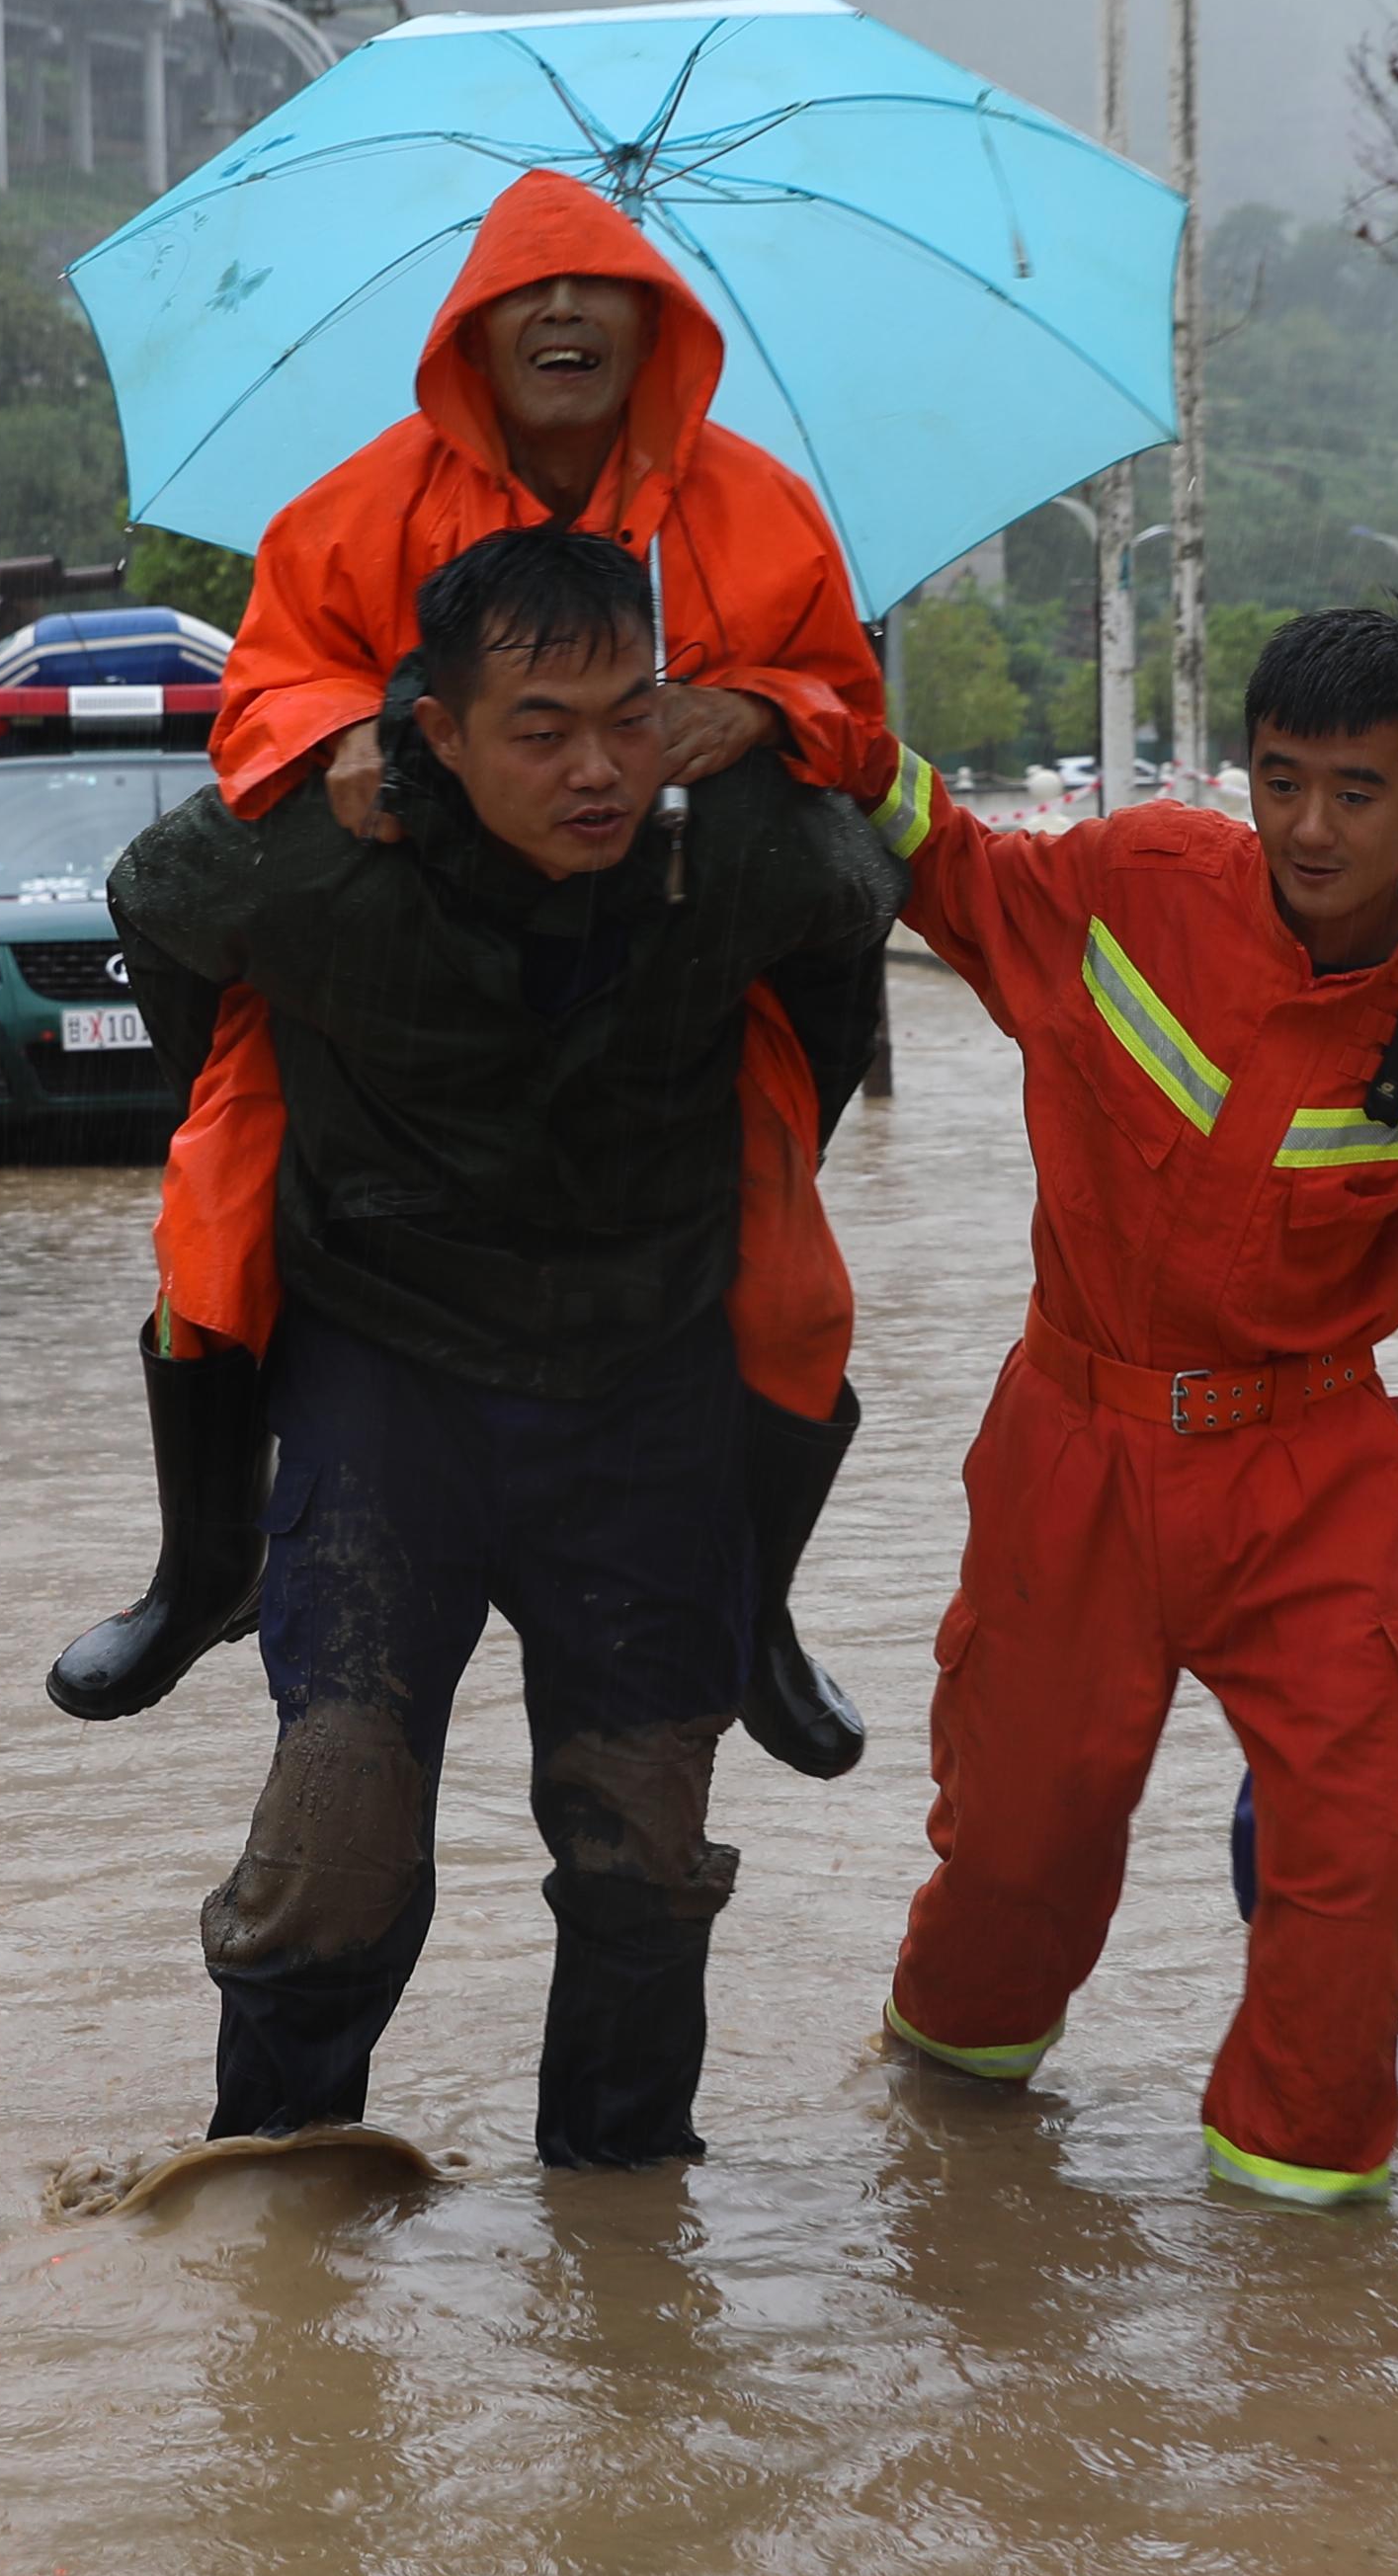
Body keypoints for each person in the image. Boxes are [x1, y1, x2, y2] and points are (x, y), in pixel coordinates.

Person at [46, 168, 899, 1778]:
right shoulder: (356, 510)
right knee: (217, 1226)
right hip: (399, 968)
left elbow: (852, 717)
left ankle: (763, 1612)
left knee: (791, 1282)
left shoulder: (761, 510)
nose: (564, 314)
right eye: (526, 294)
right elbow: (261, 699)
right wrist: (344, 734)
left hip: (663, 979)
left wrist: (761, 710)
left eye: (598, 288)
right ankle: (201, 1565)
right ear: (470, 336)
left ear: (655, 324)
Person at [101, 523, 902, 2171]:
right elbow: (156, 913)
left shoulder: (737, 843)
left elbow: (852, 919)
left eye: (630, 716)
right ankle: (276, 2176)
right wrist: (297, 1097)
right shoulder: (317, 852)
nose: (597, 770)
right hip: (387, 1373)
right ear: (437, 736)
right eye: (541, 731)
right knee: (337, 1816)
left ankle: (621, 2212)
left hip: (647, 1385)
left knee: (646, 1841)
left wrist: (766, 1133)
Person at [876, 605, 1398, 2207]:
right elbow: (958, 872)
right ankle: (946, 2110)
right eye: (1281, 782)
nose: (1310, 828)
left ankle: (1306, 2233)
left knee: (1350, 1850)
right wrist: (831, 744)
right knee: (1021, 1844)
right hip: (1075, 1445)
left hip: (1311, 1465)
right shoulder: (1135, 881)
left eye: (1355, 791)